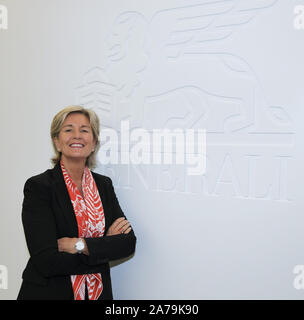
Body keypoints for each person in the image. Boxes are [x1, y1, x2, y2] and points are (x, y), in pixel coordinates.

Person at [17, 106, 136, 300]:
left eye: (84, 130)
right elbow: (46, 260)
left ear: (94, 142)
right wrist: (103, 249)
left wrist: (78, 245)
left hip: (97, 294)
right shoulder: (39, 187)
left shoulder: (104, 185)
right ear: (57, 141)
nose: (77, 135)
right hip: (49, 293)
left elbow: (128, 243)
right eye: (68, 129)